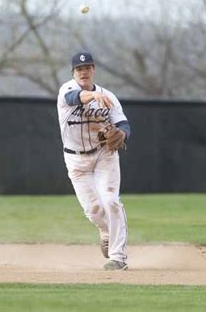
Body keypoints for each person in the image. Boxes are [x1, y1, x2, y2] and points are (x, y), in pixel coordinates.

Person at [57, 52, 131, 270]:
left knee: (111, 201)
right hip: (75, 159)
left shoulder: (108, 96)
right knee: (93, 210)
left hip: (103, 155)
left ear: (93, 70)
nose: (84, 72)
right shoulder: (66, 90)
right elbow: (74, 99)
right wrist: (91, 97)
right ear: (73, 73)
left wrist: (123, 135)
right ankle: (106, 230)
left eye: (87, 68)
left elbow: (124, 124)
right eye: (79, 69)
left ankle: (118, 257)